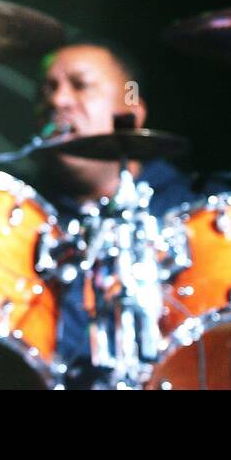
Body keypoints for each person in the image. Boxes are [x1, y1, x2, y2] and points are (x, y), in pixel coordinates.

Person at [35, 42, 206, 388]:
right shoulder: (23, 214)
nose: (59, 101)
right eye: (48, 90)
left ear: (131, 110)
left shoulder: (193, 215)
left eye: (80, 85)